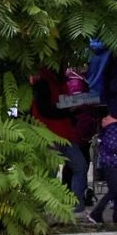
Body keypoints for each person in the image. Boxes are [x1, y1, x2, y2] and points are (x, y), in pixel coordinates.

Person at [31, 67, 89, 214]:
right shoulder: (42, 80)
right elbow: (46, 109)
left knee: (78, 167)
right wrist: (69, 110)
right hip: (49, 134)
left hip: (64, 134)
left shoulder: (57, 79)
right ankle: (44, 206)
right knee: (50, 172)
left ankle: (75, 205)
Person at [88, 96, 117, 225]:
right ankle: (96, 212)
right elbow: (111, 146)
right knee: (114, 189)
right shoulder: (113, 127)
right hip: (111, 164)